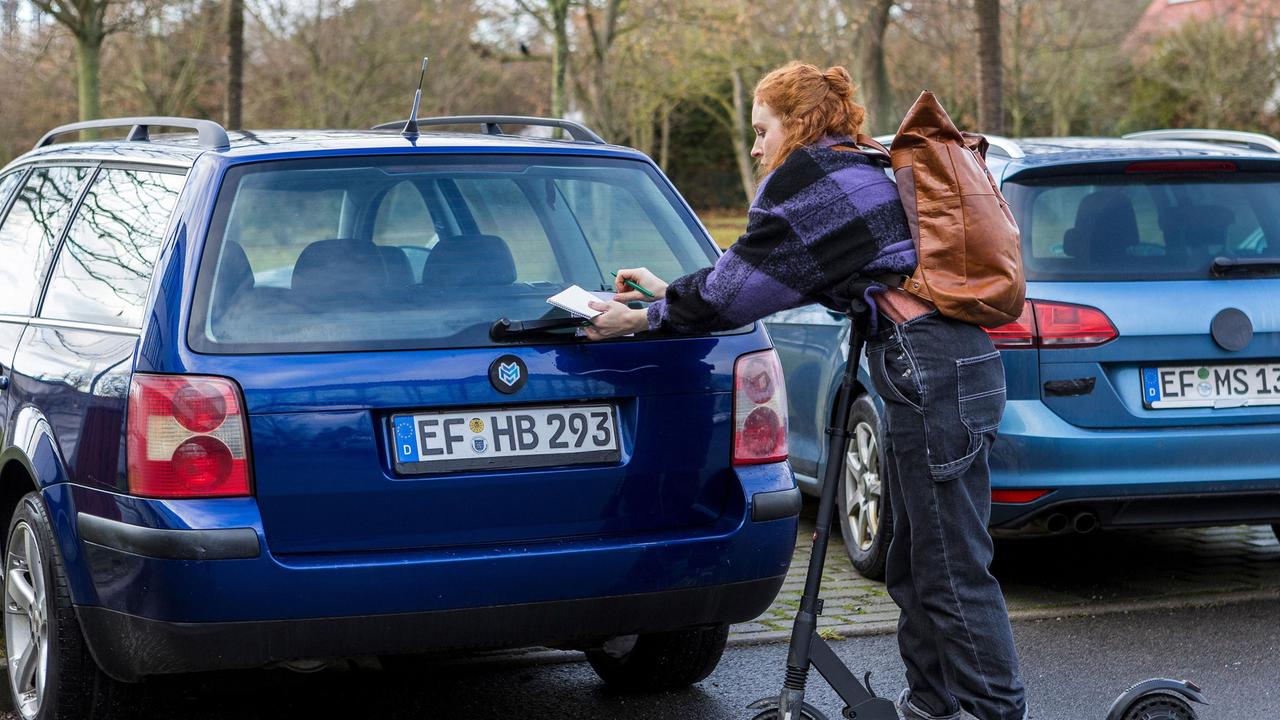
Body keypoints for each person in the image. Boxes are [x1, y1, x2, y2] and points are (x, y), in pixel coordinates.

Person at [584, 61, 1027, 720]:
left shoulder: (814, 185)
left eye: (762, 130)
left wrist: (643, 319)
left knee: (948, 564)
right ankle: (933, 706)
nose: (756, 147)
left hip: (931, 373)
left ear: (798, 124)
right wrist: (670, 290)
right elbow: (756, 272)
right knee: (912, 559)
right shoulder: (849, 168)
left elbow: (737, 294)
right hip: (941, 370)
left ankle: (994, 711)